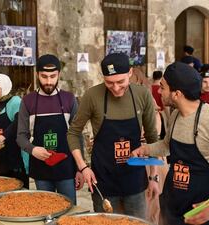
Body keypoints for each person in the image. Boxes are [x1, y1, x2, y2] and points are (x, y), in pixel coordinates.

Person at [132, 62, 209, 225]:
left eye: (163, 87)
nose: (159, 91)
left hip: (202, 210)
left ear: (176, 94)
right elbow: (167, 145)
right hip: (172, 205)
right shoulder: (176, 115)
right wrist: (145, 149)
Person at [67, 53, 159, 218]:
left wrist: (154, 176)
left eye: (120, 82)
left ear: (130, 73)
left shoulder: (142, 94)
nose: (116, 88)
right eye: (109, 82)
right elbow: (73, 133)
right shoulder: (92, 96)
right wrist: (83, 167)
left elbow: (152, 138)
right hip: (103, 179)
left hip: (135, 180)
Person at [16, 54, 83, 204]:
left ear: (59, 74)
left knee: (69, 210)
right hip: (41, 170)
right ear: (37, 75)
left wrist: (80, 168)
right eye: (44, 76)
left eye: (53, 76)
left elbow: (77, 136)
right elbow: (20, 136)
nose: (48, 81)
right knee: (46, 210)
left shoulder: (69, 99)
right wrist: (33, 150)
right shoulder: (28, 101)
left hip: (66, 169)